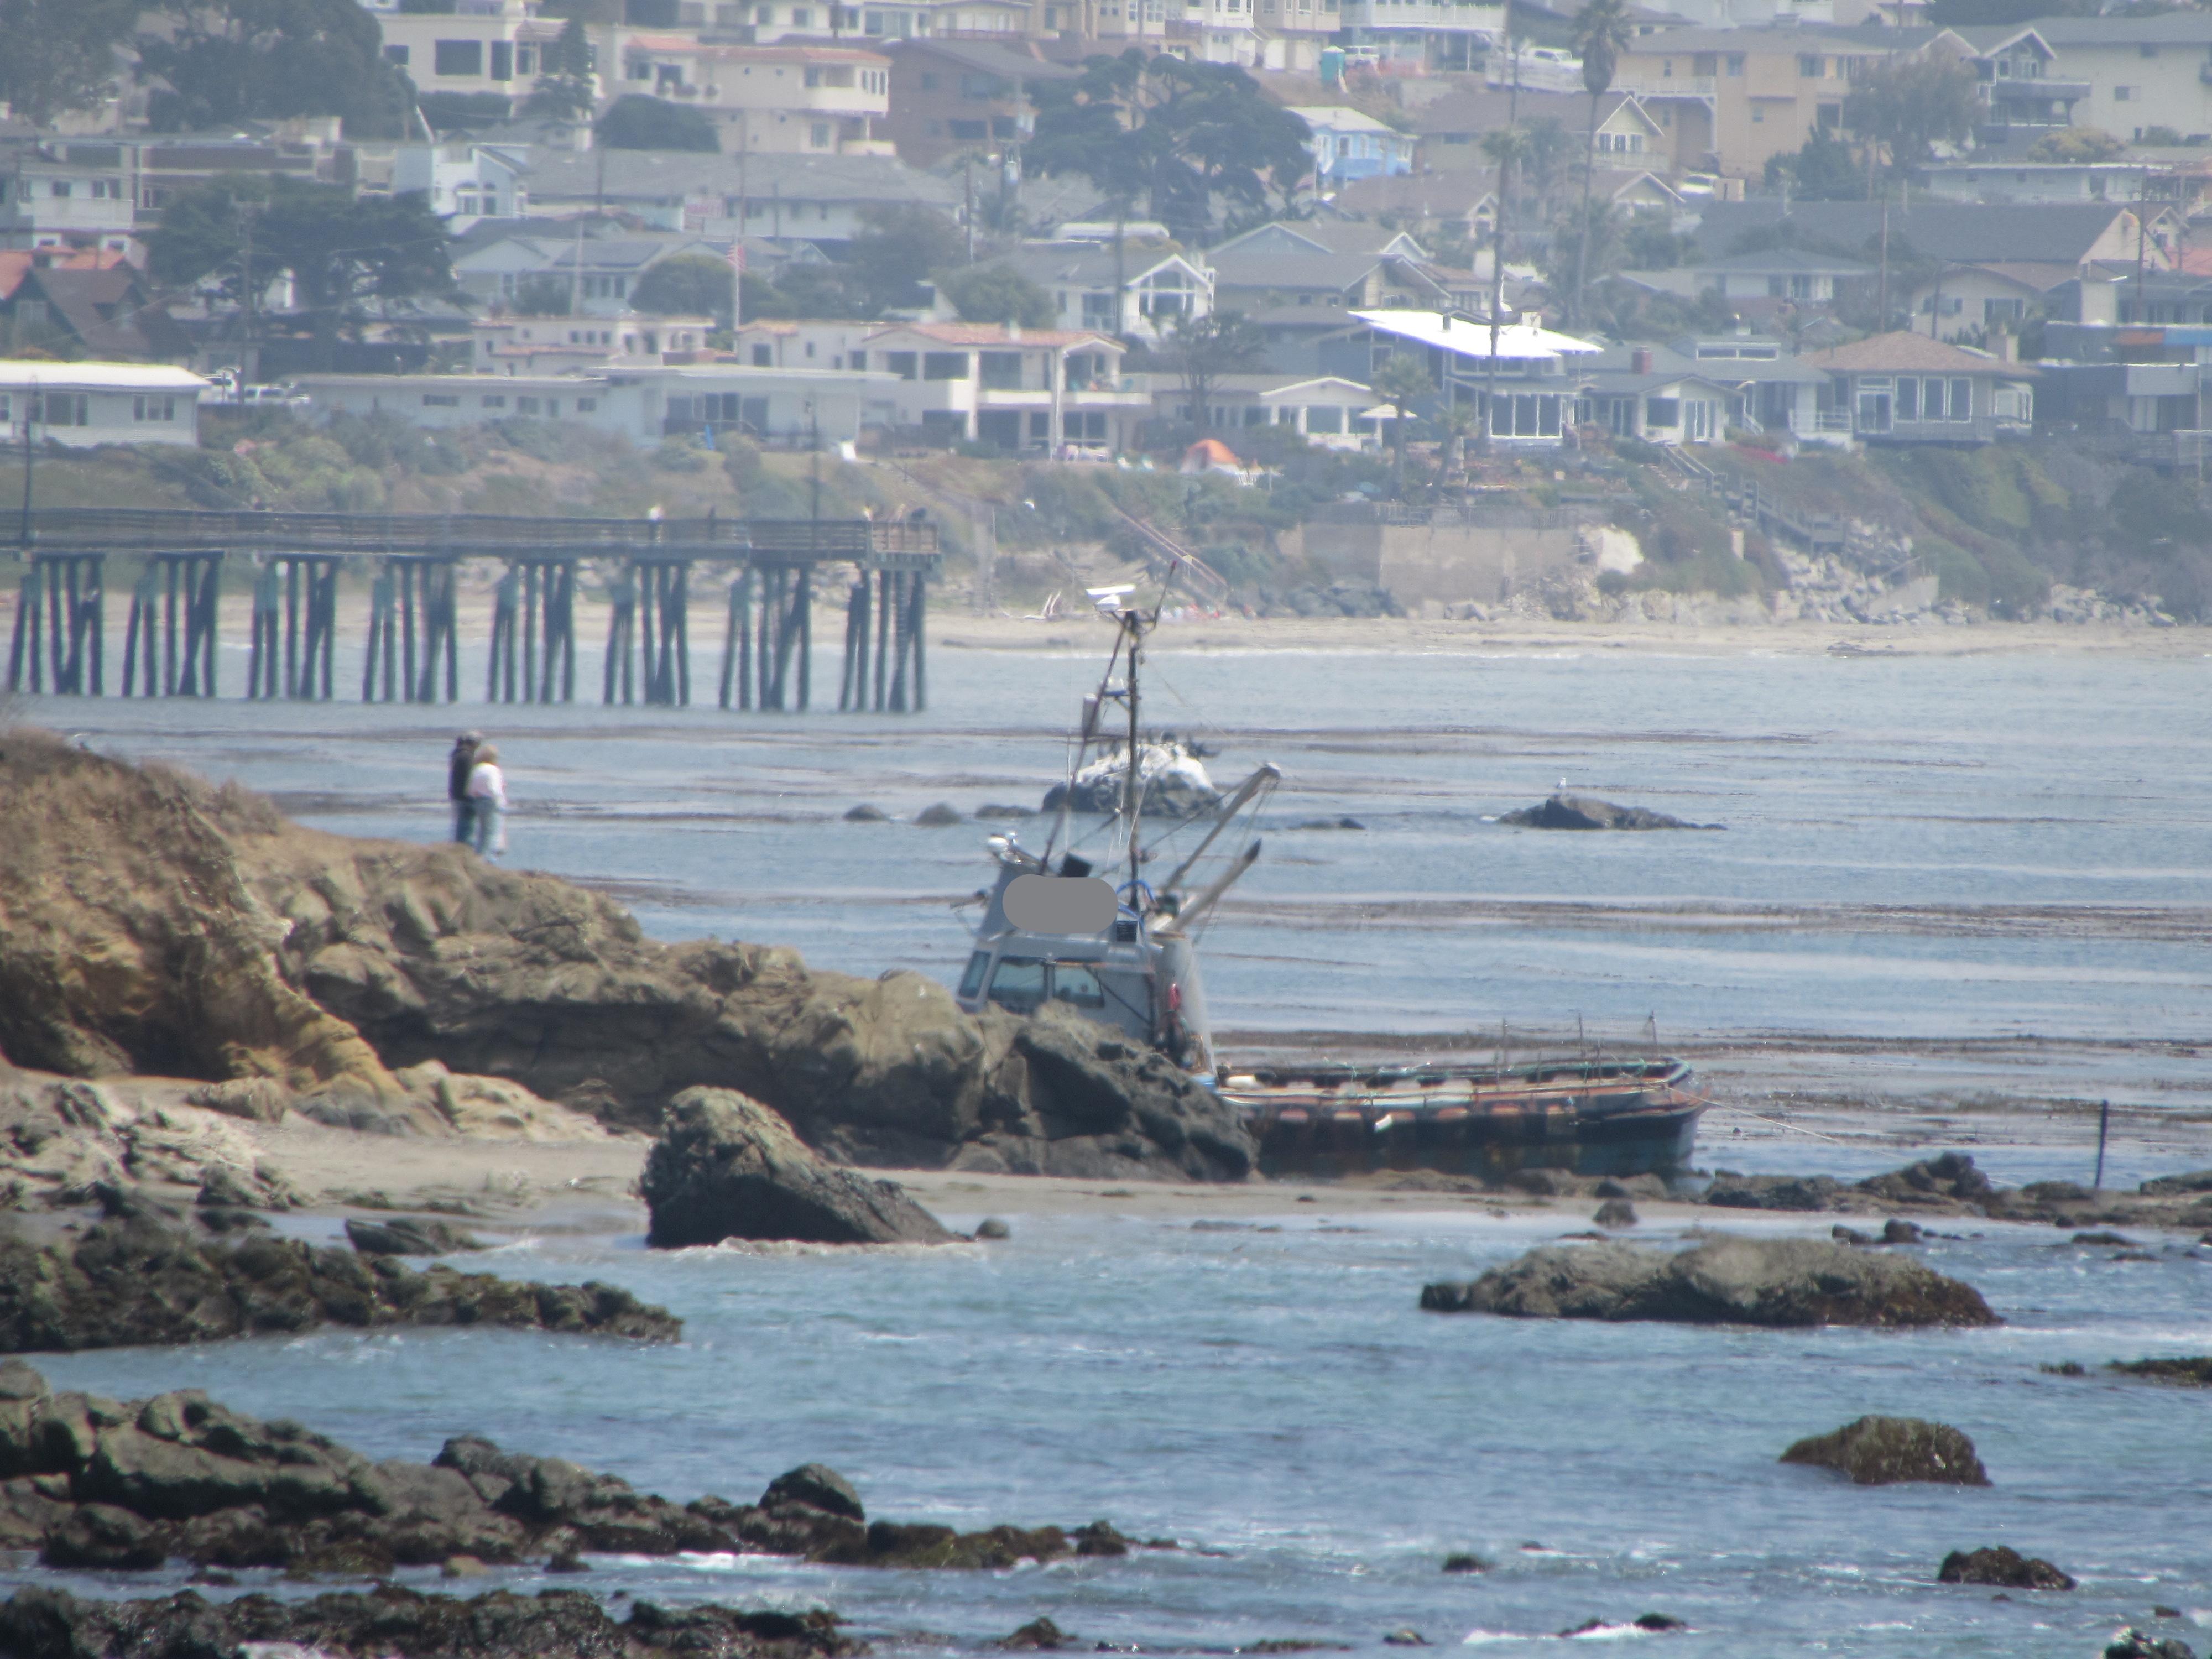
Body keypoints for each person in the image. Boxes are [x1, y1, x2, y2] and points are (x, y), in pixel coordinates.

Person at [467, 744, 507, 858]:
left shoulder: (477, 769)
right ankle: (489, 860)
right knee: (492, 834)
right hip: (492, 803)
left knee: (482, 834)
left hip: (479, 802)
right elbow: (494, 789)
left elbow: (471, 790)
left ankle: (478, 859)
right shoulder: (493, 770)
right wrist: (500, 800)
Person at [447, 732, 482, 844]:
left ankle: (460, 848)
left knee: (461, 826)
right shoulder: (467, 757)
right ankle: (464, 850)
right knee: (466, 829)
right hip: (466, 798)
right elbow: (469, 778)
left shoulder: (457, 754)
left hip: (457, 795)